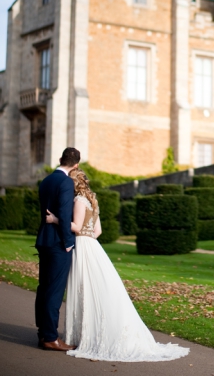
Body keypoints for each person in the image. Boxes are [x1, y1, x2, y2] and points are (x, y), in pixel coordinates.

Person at [44, 169, 189, 362]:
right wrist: (89, 241)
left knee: (85, 290)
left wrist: (55, 220)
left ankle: (85, 335)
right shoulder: (93, 201)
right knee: (92, 289)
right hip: (92, 245)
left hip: (83, 246)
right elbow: (98, 231)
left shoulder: (78, 201)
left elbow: (77, 227)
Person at [34, 147, 80, 351]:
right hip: (58, 243)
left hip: (44, 240)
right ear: (76, 165)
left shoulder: (46, 180)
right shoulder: (66, 182)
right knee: (54, 291)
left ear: (60, 159)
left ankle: (43, 332)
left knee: (43, 288)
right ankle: (51, 337)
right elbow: (63, 213)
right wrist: (68, 242)